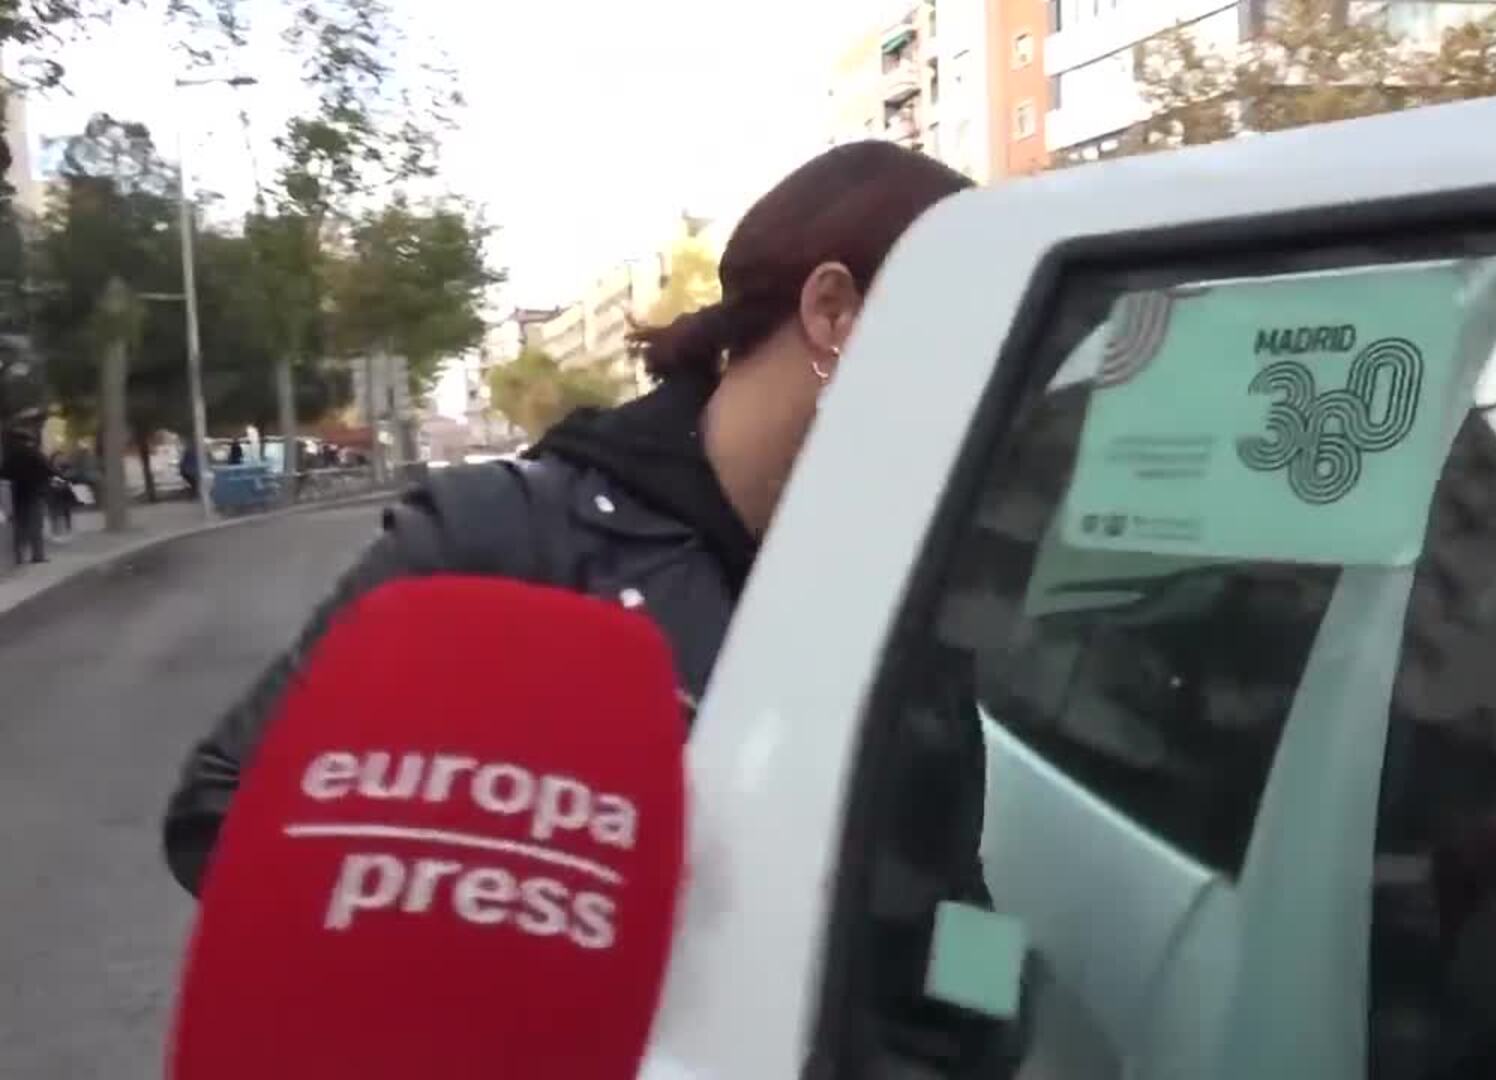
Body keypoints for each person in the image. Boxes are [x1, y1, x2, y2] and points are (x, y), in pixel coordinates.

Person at [163, 143, 989, 1001]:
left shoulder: (906, 592)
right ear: (833, 310)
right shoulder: (501, 539)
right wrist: (512, 938)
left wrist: (993, 1010)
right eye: (967, 345)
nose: (986, 394)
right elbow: (224, 807)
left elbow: (959, 896)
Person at [1, 428, 53, 565]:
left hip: (18, 494)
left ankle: (19, 556)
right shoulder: (35, 453)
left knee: (19, 526)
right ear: (28, 440)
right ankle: (37, 555)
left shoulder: (11, 456)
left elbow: (4, 473)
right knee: (36, 525)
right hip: (35, 493)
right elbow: (48, 470)